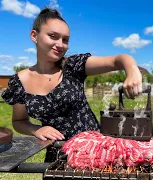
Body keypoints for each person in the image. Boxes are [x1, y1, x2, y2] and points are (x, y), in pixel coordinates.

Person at [1, 8, 143, 162]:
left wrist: (132, 69)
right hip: (57, 155)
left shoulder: (73, 66)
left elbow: (118, 60)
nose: (60, 44)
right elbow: (19, 122)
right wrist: (36, 129)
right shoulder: (19, 81)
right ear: (34, 36)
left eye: (65, 40)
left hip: (94, 151)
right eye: (53, 36)